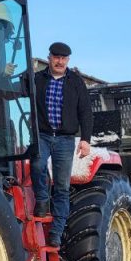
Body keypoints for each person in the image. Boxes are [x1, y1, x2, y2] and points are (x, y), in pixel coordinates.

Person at [31, 42, 93, 247]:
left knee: (62, 186)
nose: (59, 61)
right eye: (56, 57)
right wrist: (6, 74)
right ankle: (41, 199)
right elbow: (16, 91)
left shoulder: (76, 82)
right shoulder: (38, 79)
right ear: (49, 58)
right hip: (43, 135)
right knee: (37, 165)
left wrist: (85, 139)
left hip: (66, 139)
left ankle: (56, 231)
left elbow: (85, 112)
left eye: (63, 58)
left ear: (68, 60)